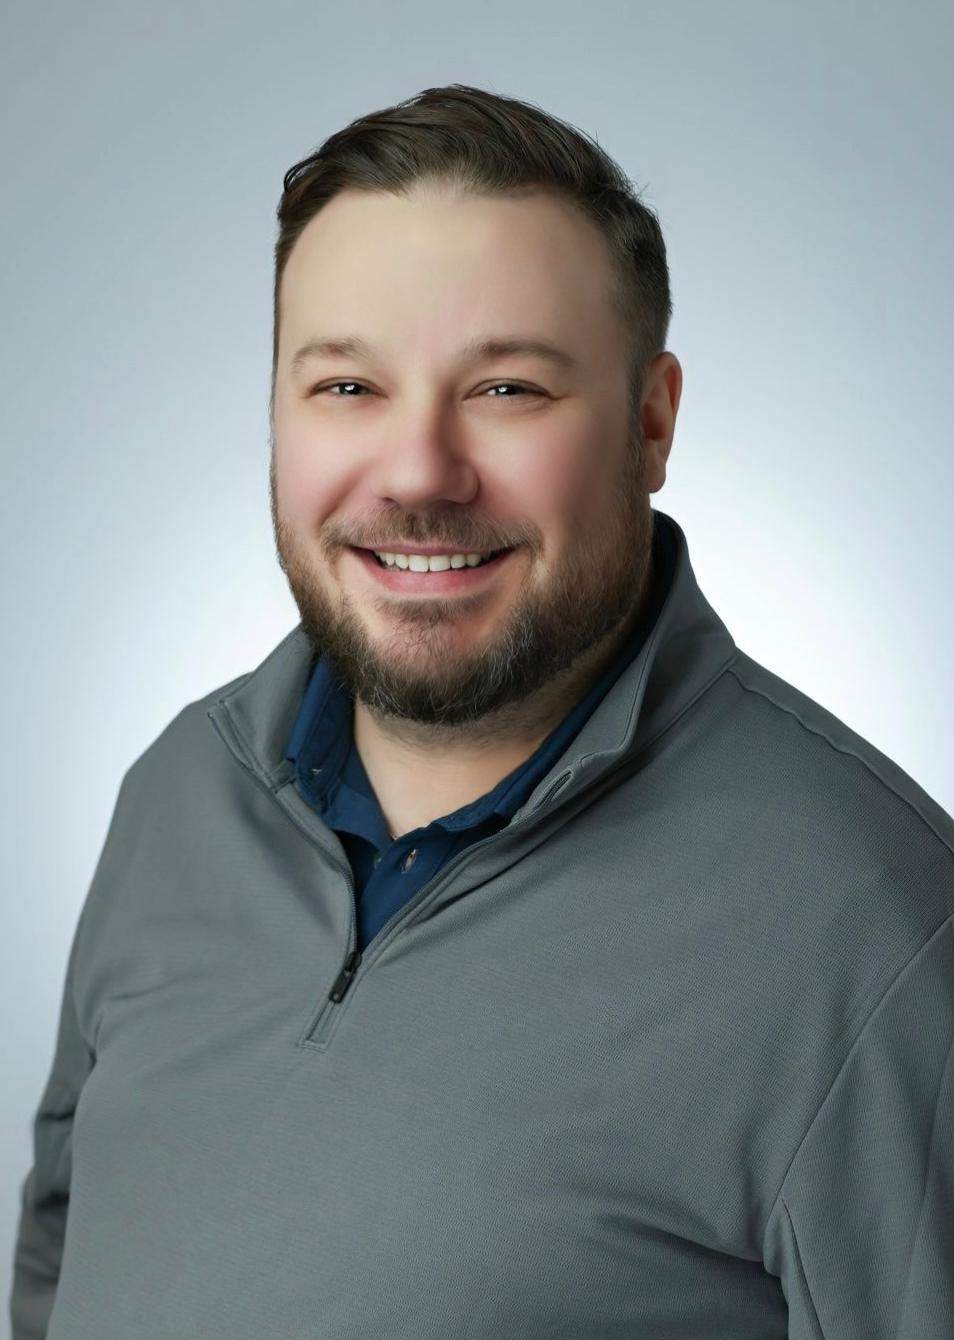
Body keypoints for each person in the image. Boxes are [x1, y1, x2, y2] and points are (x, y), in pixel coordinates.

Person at [10, 83, 953, 1340]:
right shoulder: (181, 792)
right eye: (347, 386)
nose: (417, 472)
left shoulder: (876, 929)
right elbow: (56, 1270)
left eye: (507, 388)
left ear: (653, 421)